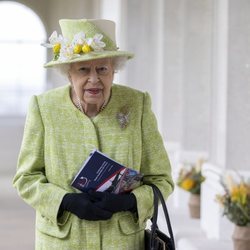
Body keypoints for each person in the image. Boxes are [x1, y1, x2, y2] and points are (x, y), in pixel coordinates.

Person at [13, 18, 174, 250]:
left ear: (114, 71)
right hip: (62, 243)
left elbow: (162, 180)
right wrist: (65, 201)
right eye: (83, 69)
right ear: (69, 73)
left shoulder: (137, 104)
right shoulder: (44, 107)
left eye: (102, 69)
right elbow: (26, 178)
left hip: (123, 243)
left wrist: (130, 202)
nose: (94, 79)